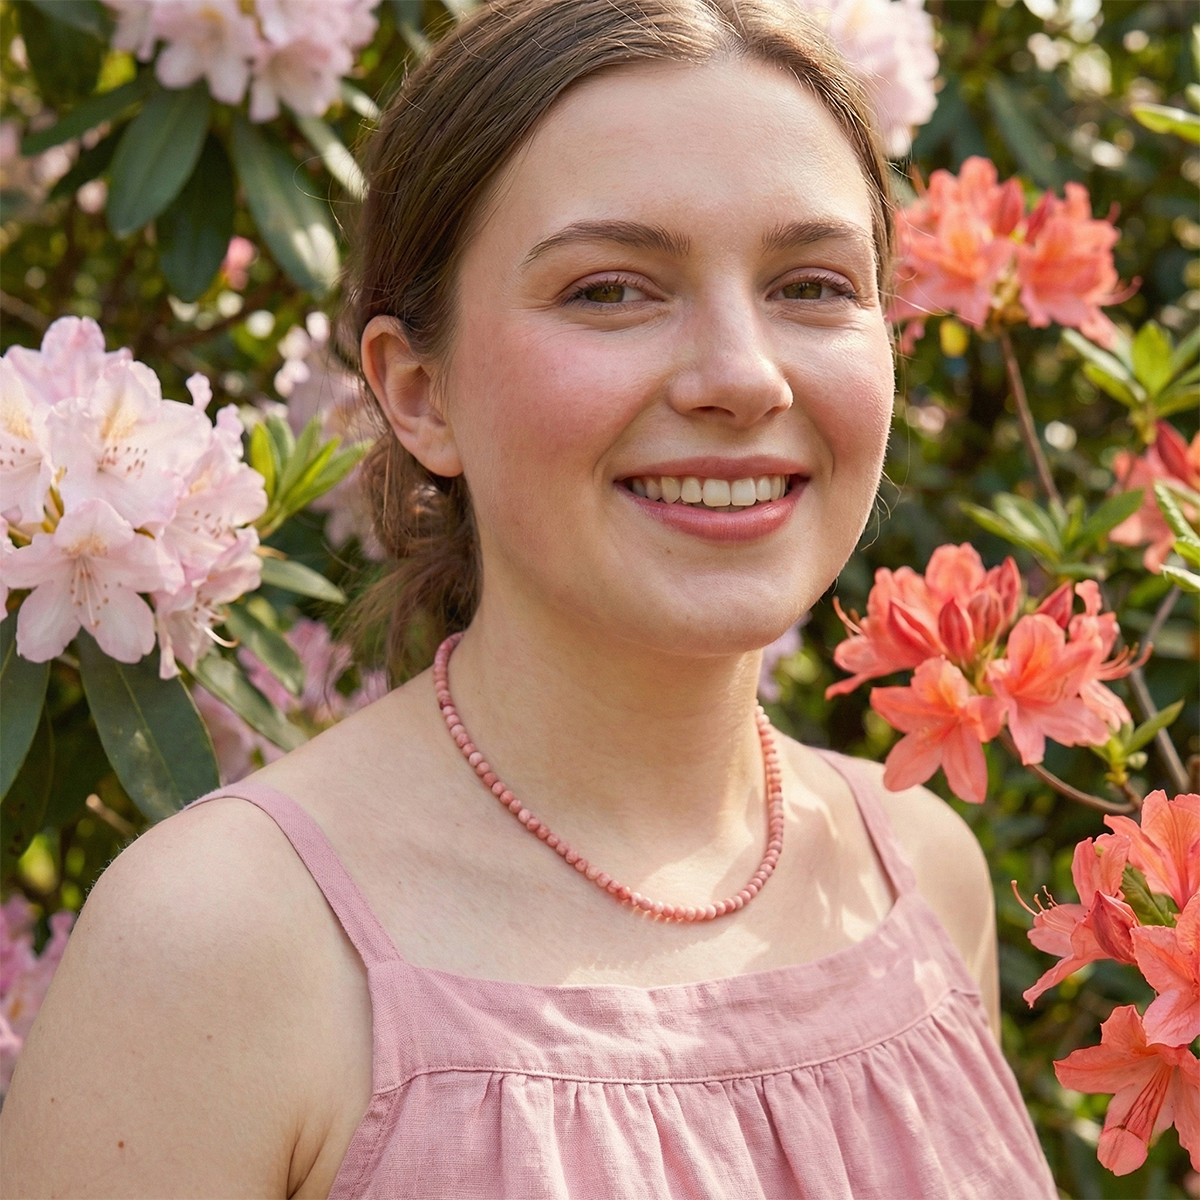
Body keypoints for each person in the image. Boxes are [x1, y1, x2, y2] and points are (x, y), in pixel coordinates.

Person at [0, 1, 1059, 1195]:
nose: (742, 376)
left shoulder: (918, 869)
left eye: (812, 285)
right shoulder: (221, 946)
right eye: (610, 290)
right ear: (418, 392)